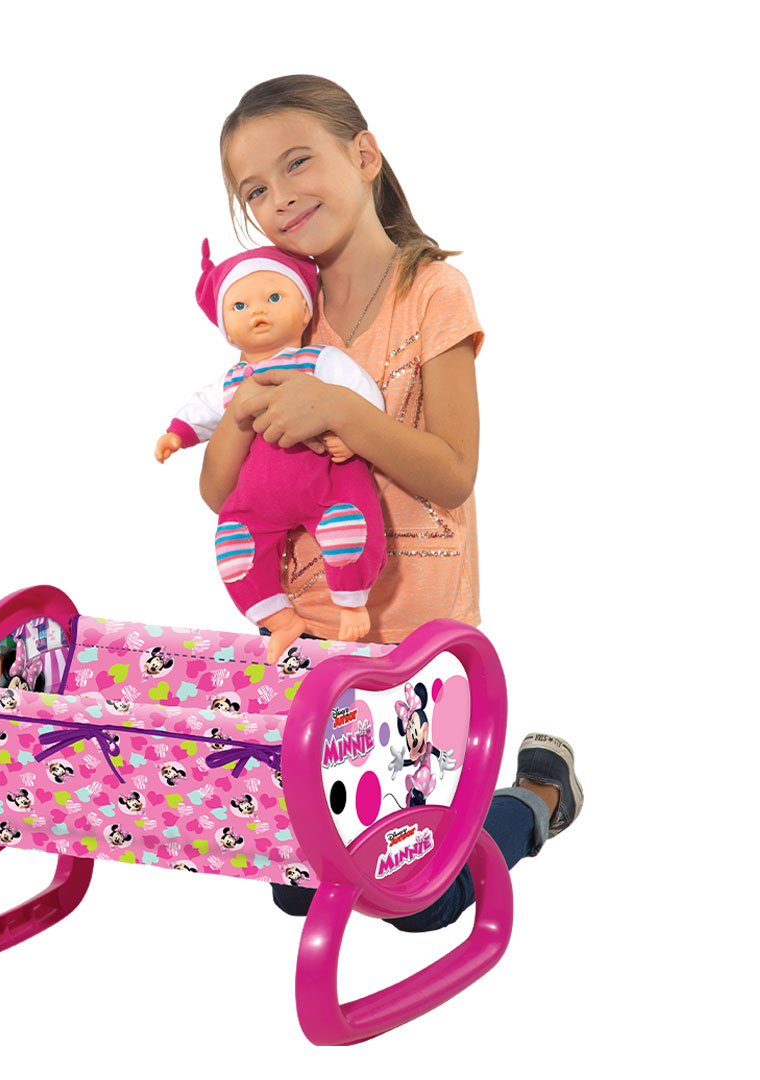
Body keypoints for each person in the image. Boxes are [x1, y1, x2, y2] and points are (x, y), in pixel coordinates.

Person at [204, 74, 582, 932]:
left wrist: (340, 412)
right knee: (298, 883)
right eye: (254, 190)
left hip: (419, 639)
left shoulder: (432, 292)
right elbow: (223, 494)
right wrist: (237, 416)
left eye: (297, 163)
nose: (279, 197)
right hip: (314, 629)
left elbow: (452, 473)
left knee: (419, 900)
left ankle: (535, 795)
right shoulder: (279, 309)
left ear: (364, 155)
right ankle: (457, 824)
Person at [155, 241, 388, 664]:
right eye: (239, 306)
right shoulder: (232, 382)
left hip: (327, 478)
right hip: (258, 498)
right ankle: (279, 619)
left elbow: (362, 394)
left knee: (350, 526)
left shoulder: (319, 361)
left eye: (274, 298)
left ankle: (353, 601)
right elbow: (202, 409)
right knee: (233, 547)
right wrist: (177, 434)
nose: (257, 311)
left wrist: (354, 435)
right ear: (226, 330)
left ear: (305, 311)